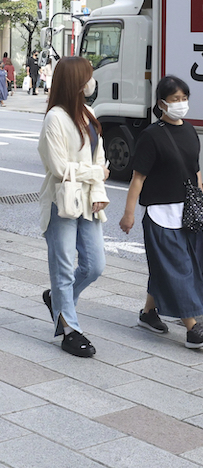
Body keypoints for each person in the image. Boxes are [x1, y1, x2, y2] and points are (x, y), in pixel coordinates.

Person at [119, 75, 203, 349]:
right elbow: (137, 178)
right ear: (162, 103)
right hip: (160, 216)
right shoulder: (152, 136)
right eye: (175, 100)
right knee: (180, 269)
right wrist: (128, 214)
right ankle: (192, 328)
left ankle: (149, 313)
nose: (181, 104)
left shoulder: (189, 130)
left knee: (168, 267)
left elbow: (195, 171)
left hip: (187, 213)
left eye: (184, 99)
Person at [37, 57, 109, 357]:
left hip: (89, 202)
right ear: (76, 81)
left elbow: (99, 159)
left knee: (94, 266)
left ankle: (58, 300)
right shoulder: (54, 117)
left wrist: (99, 189)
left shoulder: (89, 114)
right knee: (63, 267)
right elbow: (58, 167)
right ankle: (70, 328)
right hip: (61, 201)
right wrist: (96, 175)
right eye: (88, 77)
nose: (91, 82)